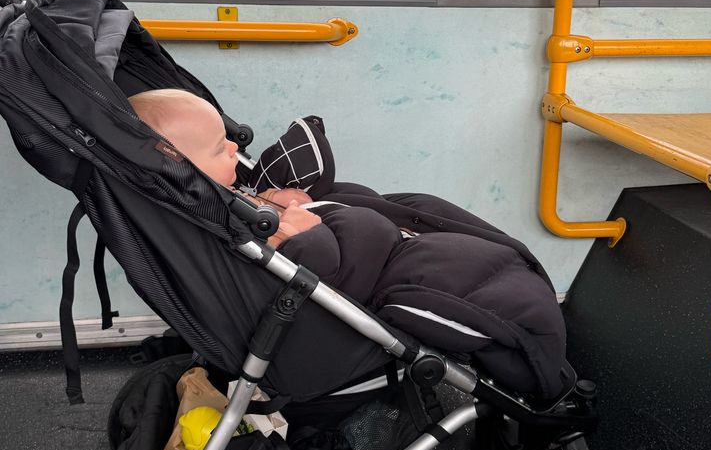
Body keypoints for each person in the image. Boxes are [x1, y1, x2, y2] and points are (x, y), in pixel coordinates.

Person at [128, 88, 567, 400]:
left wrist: (276, 199)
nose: (232, 148)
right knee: (467, 277)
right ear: (180, 166)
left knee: (412, 213)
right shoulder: (222, 219)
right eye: (216, 148)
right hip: (331, 291)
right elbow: (324, 264)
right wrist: (308, 229)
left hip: (344, 236)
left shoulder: (211, 194)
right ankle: (530, 362)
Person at [127, 88, 320, 248]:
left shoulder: (221, 192)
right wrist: (297, 231)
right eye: (220, 148)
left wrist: (271, 198)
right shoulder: (214, 216)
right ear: (186, 173)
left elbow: (248, 200)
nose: (234, 147)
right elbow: (267, 245)